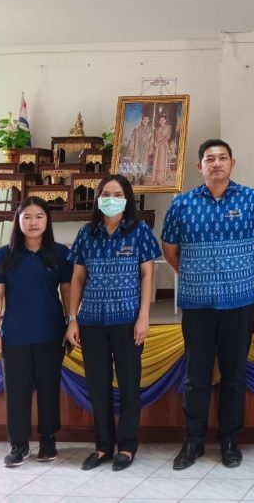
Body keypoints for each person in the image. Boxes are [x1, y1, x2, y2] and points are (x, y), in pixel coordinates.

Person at [161, 139, 254, 470]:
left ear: (232, 163)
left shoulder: (252, 199)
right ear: (200, 166)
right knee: (196, 375)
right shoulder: (182, 203)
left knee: (234, 374)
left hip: (240, 301)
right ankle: (193, 442)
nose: (216, 163)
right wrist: (190, 272)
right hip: (197, 303)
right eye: (209, 159)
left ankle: (230, 441)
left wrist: (250, 270)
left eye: (222, 158)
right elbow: (169, 247)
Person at [65, 174, 160, 472]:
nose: (111, 199)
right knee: (98, 386)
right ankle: (103, 446)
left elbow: (147, 275)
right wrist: (72, 319)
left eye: (118, 194)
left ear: (127, 199)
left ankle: (127, 446)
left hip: (128, 320)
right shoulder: (87, 233)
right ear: (97, 199)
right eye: (106, 194)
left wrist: (143, 317)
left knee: (129, 385)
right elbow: (77, 278)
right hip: (91, 321)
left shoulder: (139, 231)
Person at [0, 197, 73, 467]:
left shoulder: (60, 253)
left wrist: (71, 321)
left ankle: (48, 440)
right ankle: (18, 444)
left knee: (49, 389)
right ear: (18, 221)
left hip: (51, 332)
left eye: (39, 217)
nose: (33, 222)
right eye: (27, 217)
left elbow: (68, 290)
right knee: (17, 392)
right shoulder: (4, 255)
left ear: (47, 221)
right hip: (14, 334)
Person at [125, 114, 153, 182]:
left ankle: (142, 177)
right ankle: (134, 177)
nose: (145, 120)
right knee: (135, 162)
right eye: (144, 119)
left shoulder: (151, 130)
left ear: (149, 120)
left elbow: (152, 141)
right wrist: (131, 149)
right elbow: (132, 139)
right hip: (137, 148)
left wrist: (150, 149)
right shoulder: (137, 129)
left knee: (144, 162)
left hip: (145, 149)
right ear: (142, 120)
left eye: (146, 119)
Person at [151, 114, 173, 185]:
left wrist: (158, 143)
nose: (161, 121)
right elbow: (155, 137)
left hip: (163, 146)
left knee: (162, 162)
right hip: (157, 146)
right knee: (156, 161)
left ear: (165, 120)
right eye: (160, 120)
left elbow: (167, 137)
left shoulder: (168, 127)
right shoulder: (157, 129)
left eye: (163, 119)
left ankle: (160, 179)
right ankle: (155, 178)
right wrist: (155, 143)